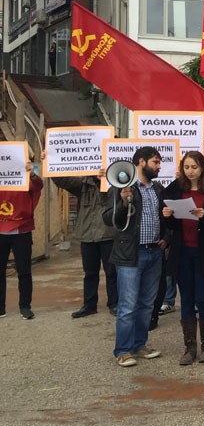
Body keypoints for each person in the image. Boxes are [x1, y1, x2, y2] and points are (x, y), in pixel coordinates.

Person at [103, 147, 168, 367]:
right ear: (141, 162)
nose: (159, 167)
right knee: (128, 305)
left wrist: (166, 237)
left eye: (159, 163)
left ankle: (139, 345)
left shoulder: (158, 189)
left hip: (154, 252)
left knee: (147, 304)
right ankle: (122, 350)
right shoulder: (123, 187)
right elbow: (109, 219)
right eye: (155, 162)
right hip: (131, 254)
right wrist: (122, 202)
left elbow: (165, 218)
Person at [162, 151, 204, 365]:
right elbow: (171, 226)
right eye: (187, 167)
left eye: (194, 167)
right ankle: (189, 347)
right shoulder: (175, 188)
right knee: (186, 299)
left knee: (202, 298)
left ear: (203, 168)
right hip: (183, 252)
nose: (190, 171)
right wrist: (168, 216)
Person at [52, 172, 118, 318]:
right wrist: (50, 161)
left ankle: (114, 303)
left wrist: (104, 179)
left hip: (108, 235)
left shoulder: (113, 183)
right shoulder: (82, 184)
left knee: (112, 272)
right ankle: (89, 305)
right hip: (87, 235)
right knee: (90, 273)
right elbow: (61, 179)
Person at [0, 155, 43, 320]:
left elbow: (38, 185)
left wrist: (31, 174)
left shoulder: (27, 177)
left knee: (24, 271)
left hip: (22, 231)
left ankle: (25, 306)